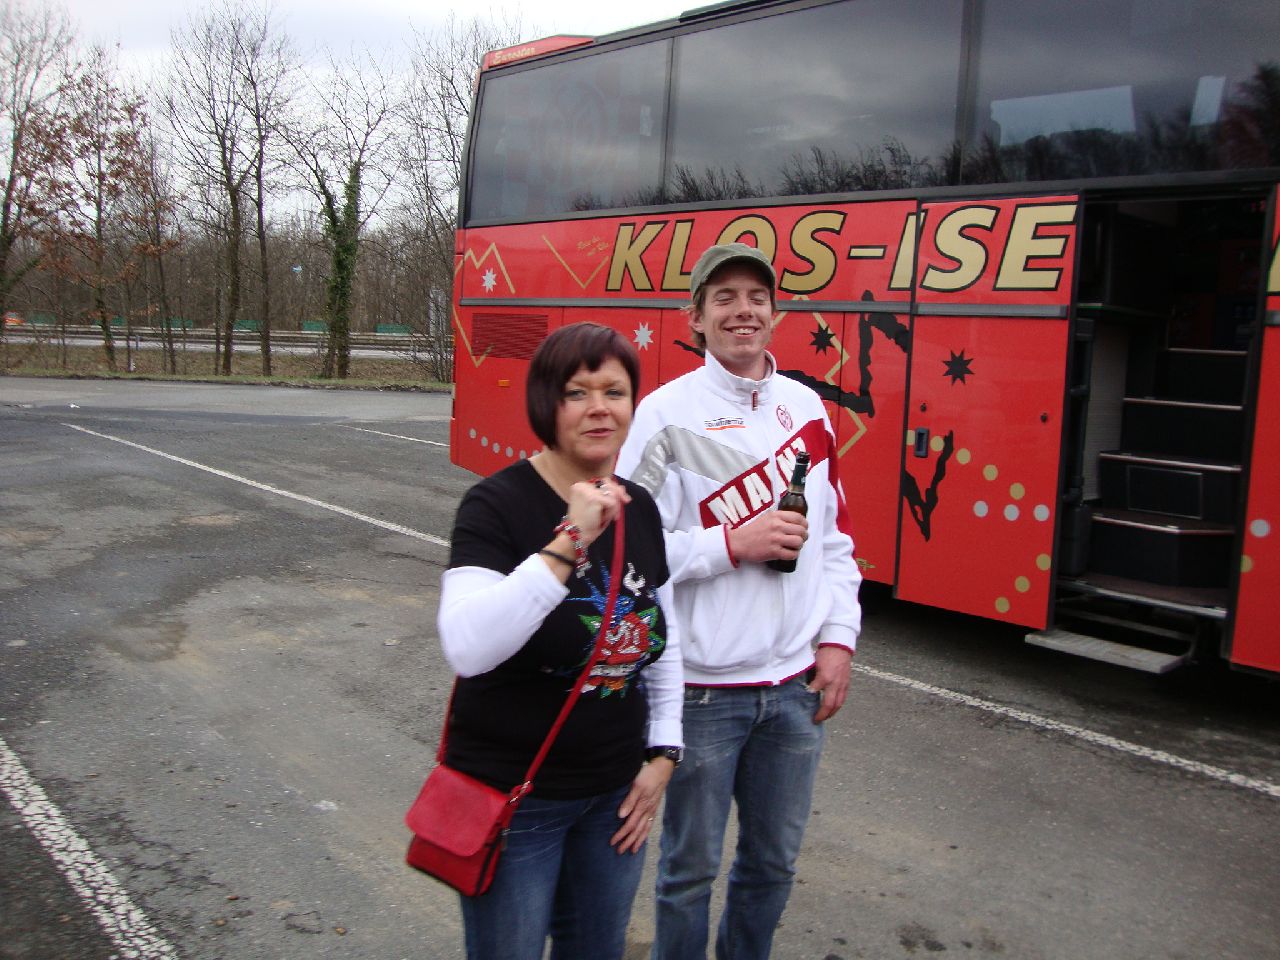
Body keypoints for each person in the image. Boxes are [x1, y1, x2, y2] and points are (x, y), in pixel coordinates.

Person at [616, 243, 863, 960]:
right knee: (689, 872)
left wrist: (839, 639)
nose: (741, 310)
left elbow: (837, 541)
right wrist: (730, 543)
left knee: (772, 865)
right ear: (696, 317)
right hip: (700, 695)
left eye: (756, 296)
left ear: (776, 314)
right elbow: (628, 555)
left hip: (793, 692)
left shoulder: (808, 409)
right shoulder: (662, 416)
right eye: (722, 297)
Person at [437, 321, 684, 960]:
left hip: (614, 797)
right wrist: (570, 540)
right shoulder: (494, 506)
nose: (599, 407)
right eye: (578, 392)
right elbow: (467, 646)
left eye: (616, 390)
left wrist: (663, 756)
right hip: (518, 802)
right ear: (547, 403)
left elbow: (663, 637)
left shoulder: (643, 509)